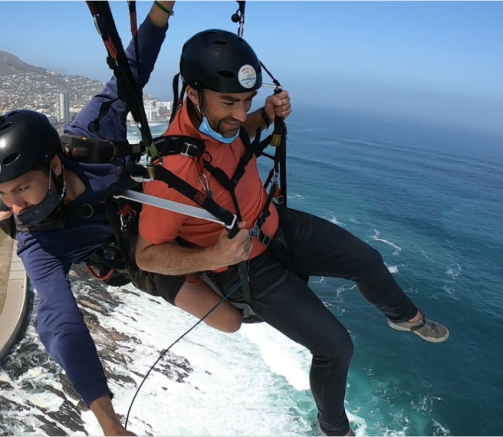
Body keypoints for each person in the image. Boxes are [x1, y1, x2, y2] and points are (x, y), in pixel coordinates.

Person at [133, 29, 450, 436]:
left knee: (368, 260)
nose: (237, 113)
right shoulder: (169, 169)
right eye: (229, 102)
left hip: (275, 224)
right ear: (193, 95)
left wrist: (265, 113)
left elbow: (238, 132)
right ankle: (333, 427)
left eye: (245, 100)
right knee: (336, 348)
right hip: (243, 266)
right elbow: (147, 253)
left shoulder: (226, 125)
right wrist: (212, 258)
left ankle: (405, 318)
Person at [0, 2, 178, 435]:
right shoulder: (37, 242)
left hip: (160, 213)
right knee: (228, 317)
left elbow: (127, 77)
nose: (17, 206)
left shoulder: (88, 136)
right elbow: (60, 319)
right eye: (4, 196)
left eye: (22, 189)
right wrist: (109, 423)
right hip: (140, 256)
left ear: (54, 165)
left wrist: (161, 9)